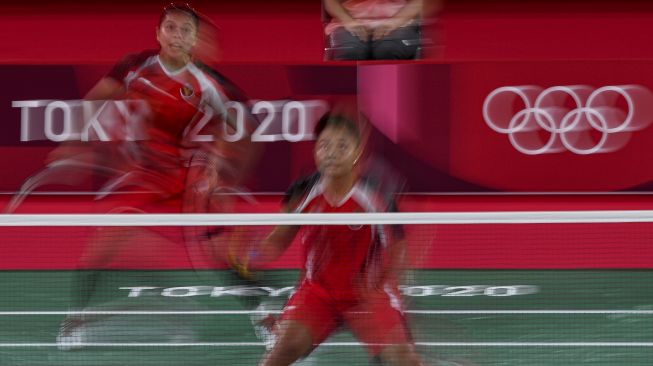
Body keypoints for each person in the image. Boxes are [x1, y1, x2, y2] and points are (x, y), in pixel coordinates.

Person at [55, 2, 254, 349]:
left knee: (220, 253)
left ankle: (264, 316)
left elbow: (233, 124)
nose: (177, 36)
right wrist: (76, 142)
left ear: (195, 39)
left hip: (185, 179)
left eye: (186, 30)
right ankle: (73, 320)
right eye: (171, 28)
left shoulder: (205, 84)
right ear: (158, 33)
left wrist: (217, 164)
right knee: (100, 249)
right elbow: (95, 99)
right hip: (143, 178)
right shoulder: (136, 67)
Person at [243, 112, 425, 365]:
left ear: (357, 152)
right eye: (324, 145)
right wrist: (252, 255)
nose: (332, 153)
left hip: (366, 296)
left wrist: (386, 284)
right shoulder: (303, 192)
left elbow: (398, 248)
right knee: (280, 352)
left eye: (342, 146)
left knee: (404, 360)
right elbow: (278, 239)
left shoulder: (374, 196)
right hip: (317, 294)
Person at [324, 0, 424, 60]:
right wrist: (349, 21)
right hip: (351, 17)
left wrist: (394, 22)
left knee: (389, 49)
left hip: (399, 19)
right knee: (350, 51)